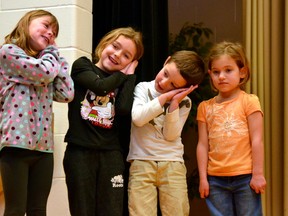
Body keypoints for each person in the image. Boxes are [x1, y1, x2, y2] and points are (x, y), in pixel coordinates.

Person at [63, 27, 144, 216]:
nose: (117, 55)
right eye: (115, 47)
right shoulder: (83, 66)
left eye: (126, 56)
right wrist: (124, 74)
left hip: (111, 154)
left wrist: (130, 77)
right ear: (105, 42)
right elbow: (100, 87)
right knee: (83, 210)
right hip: (80, 152)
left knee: (112, 210)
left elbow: (123, 109)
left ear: (131, 63)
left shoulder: (123, 79)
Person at [0, 9, 74, 216]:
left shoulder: (45, 64)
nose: (51, 33)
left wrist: (58, 59)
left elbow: (66, 93)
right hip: (16, 144)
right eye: (46, 25)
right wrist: (53, 55)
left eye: (55, 32)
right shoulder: (8, 52)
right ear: (26, 23)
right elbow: (44, 73)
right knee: (16, 210)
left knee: (38, 210)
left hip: (44, 148)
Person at [127, 50, 206, 216]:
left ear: (184, 89)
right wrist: (163, 98)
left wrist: (174, 104)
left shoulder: (184, 102)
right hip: (142, 161)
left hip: (172, 163)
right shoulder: (143, 88)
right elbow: (138, 118)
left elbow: (171, 135)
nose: (163, 83)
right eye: (165, 74)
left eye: (173, 85)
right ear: (166, 61)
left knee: (177, 211)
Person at [196, 41, 266, 216]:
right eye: (216, 72)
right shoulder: (204, 107)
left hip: (245, 178)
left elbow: (256, 140)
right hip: (215, 180)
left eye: (228, 70)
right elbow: (203, 145)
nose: (221, 76)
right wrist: (203, 179)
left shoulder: (249, 101)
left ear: (242, 72)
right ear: (210, 74)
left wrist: (258, 174)